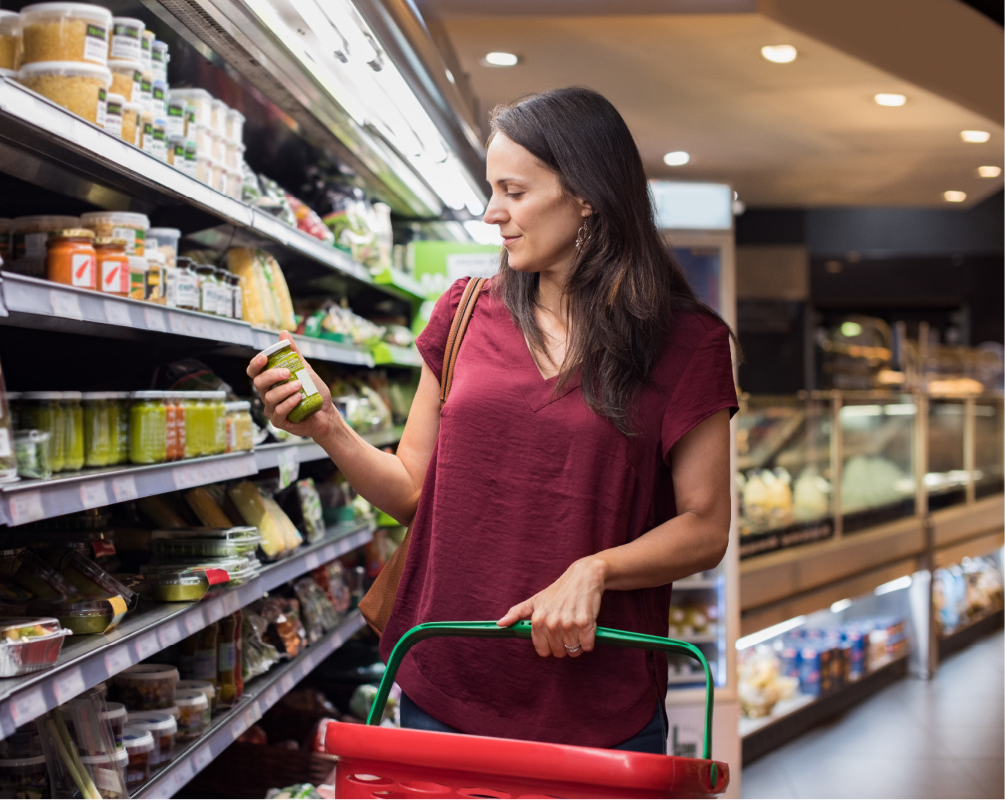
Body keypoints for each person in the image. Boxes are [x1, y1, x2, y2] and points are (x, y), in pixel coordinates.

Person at [246, 86, 736, 753]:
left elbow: (705, 528)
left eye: (513, 191)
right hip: (449, 681)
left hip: (601, 703)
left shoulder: (686, 342)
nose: (490, 213)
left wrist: (595, 570)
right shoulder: (465, 311)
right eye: (491, 189)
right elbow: (412, 492)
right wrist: (329, 425)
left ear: (587, 195)